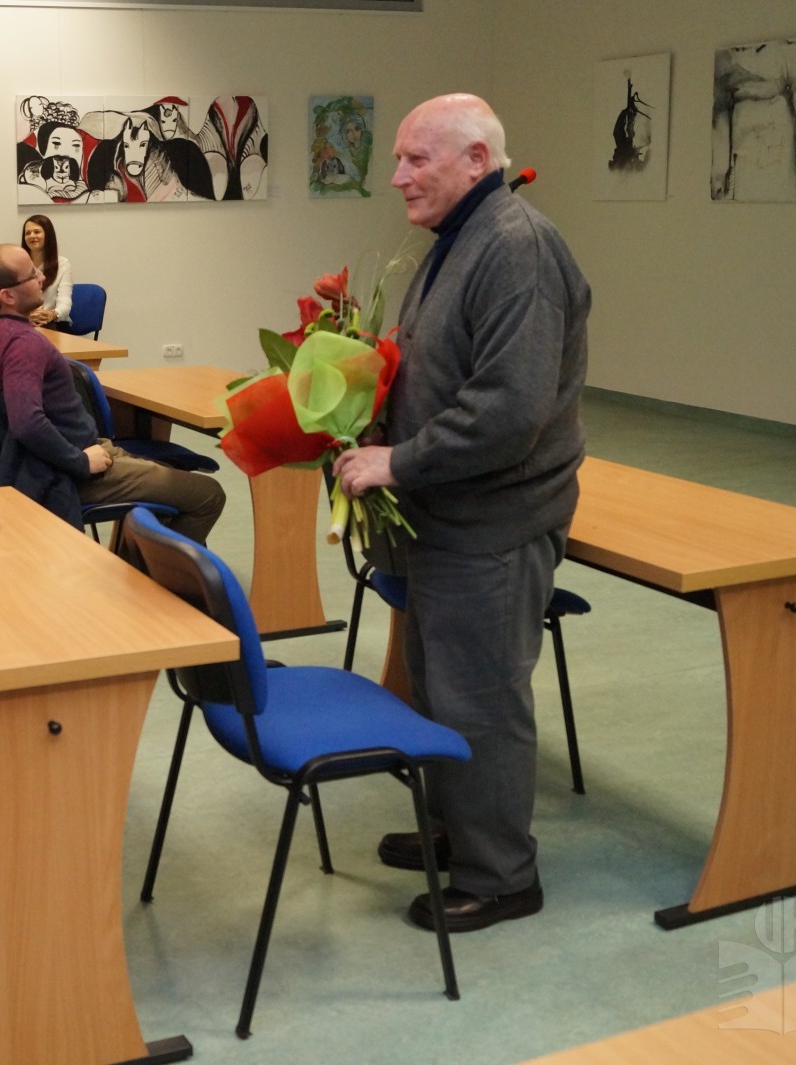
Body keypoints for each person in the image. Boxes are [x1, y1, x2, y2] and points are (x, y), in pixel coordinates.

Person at [333, 94, 590, 933]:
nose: (398, 177)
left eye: (416, 159)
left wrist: (399, 460)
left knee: (480, 697)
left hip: (493, 523)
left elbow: (510, 409)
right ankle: (459, 830)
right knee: (442, 685)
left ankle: (501, 874)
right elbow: (434, 368)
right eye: (398, 160)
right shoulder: (458, 237)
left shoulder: (516, 247)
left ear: (477, 159)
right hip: (445, 517)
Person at [0, 244, 224, 543]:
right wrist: (80, 461)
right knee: (207, 495)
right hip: (68, 469)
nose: (42, 277)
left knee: (166, 472)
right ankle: (152, 572)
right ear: (8, 296)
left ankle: (134, 563)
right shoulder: (24, 344)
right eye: (31, 275)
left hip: (65, 455)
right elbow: (26, 423)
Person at [19, 215, 71, 329]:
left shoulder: (63, 264)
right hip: (24, 322)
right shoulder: (17, 264)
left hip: (52, 323)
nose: (32, 236)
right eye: (28, 233)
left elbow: (65, 302)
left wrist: (51, 314)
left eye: (37, 232)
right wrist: (26, 316)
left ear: (48, 235)